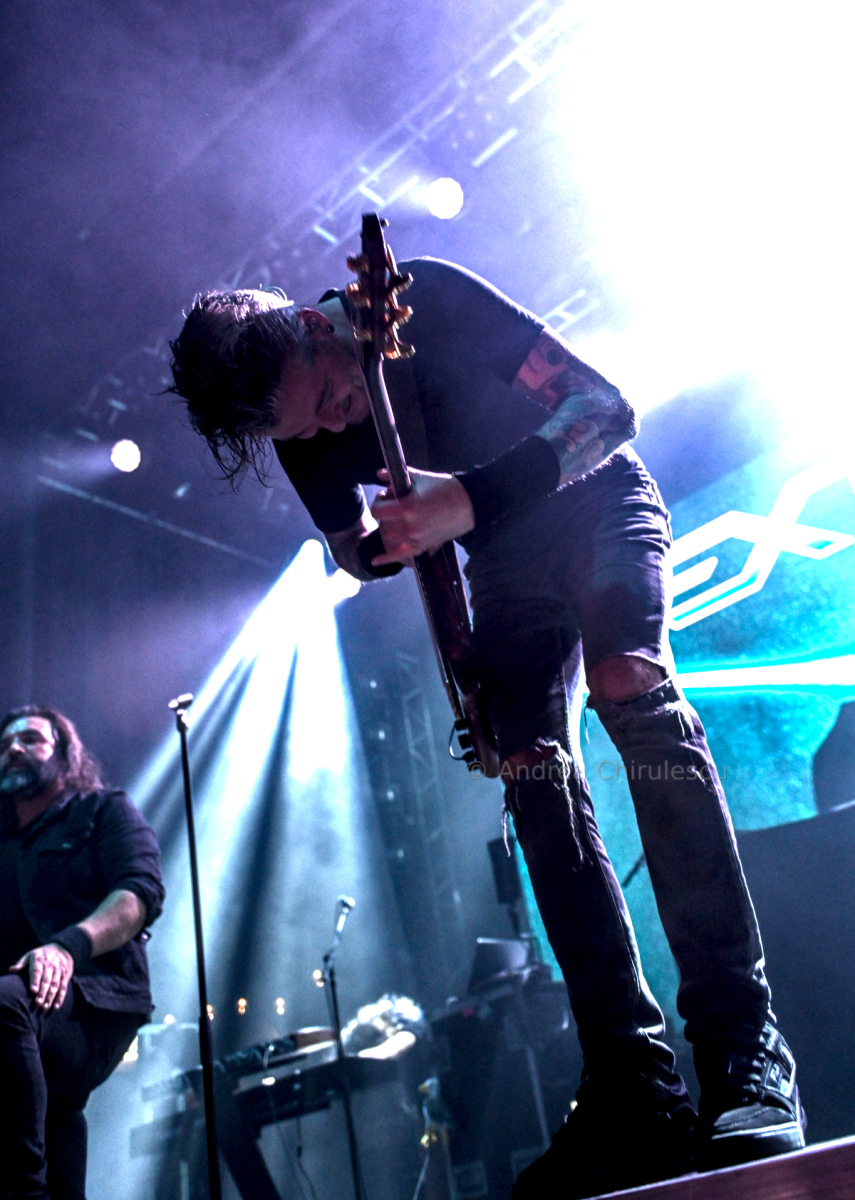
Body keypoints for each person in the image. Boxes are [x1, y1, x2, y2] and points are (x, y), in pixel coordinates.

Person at [168, 258, 805, 1197]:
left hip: (598, 506)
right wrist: (381, 547)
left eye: (333, 398)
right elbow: (351, 549)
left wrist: (460, 499)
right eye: (307, 430)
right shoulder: (298, 421)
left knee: (629, 685)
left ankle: (744, 1049)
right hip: (503, 570)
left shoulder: (420, 295)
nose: (332, 426)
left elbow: (606, 410)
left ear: (311, 322)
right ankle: (633, 1085)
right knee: (531, 773)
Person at [0, 705, 165, 1200]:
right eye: (5, 745)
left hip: (100, 997)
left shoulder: (103, 809)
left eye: (30, 739)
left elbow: (139, 894)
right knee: (57, 1114)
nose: (13, 749)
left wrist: (66, 947)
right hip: (27, 1012)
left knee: (4, 1004)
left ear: (64, 752)